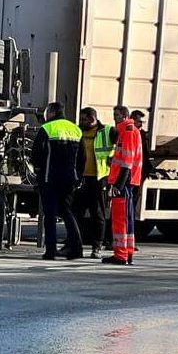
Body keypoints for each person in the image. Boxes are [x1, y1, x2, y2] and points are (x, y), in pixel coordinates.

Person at [32, 101, 84, 260]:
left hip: (50, 178)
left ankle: (51, 251)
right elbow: (83, 157)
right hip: (70, 178)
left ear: (53, 112)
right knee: (68, 212)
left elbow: (37, 153)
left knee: (50, 215)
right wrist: (78, 176)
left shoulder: (47, 128)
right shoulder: (76, 129)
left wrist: (38, 171)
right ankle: (77, 248)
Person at [103, 111, 144, 265]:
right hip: (127, 182)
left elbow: (126, 162)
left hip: (124, 183)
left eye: (117, 115)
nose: (115, 118)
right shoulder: (128, 131)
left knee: (121, 220)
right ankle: (127, 253)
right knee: (126, 220)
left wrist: (118, 186)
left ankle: (121, 255)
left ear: (125, 116)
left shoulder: (127, 132)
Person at [74, 107, 112, 257]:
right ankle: (75, 245)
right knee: (76, 213)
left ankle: (97, 246)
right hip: (81, 178)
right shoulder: (78, 131)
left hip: (99, 179)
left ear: (92, 119)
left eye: (84, 119)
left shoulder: (106, 132)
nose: (81, 122)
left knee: (98, 214)